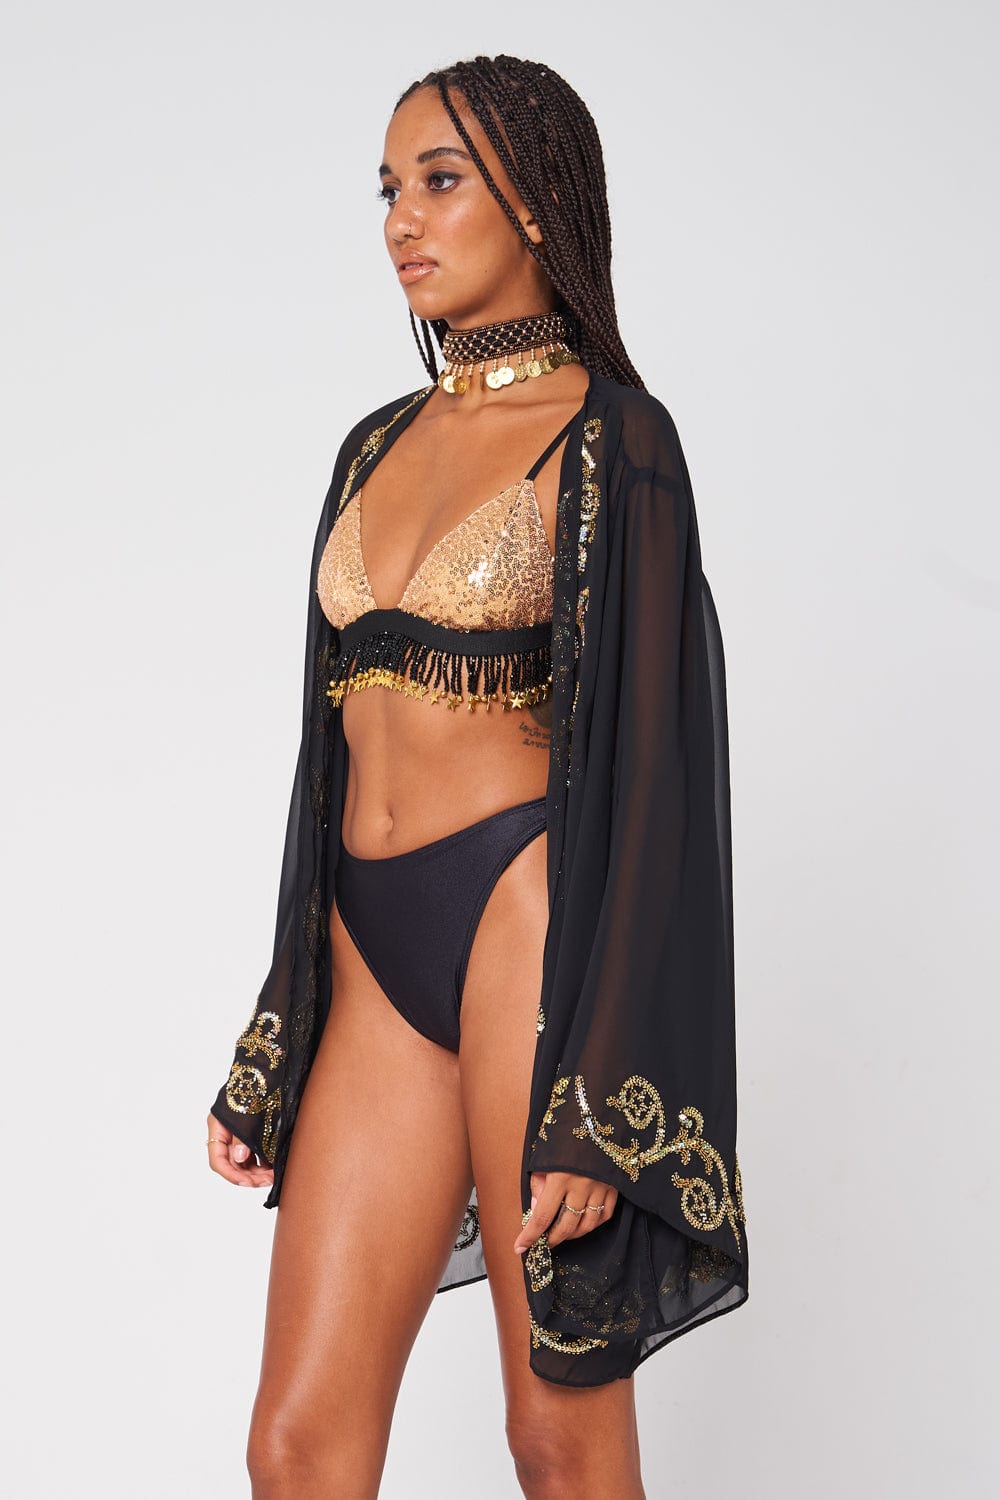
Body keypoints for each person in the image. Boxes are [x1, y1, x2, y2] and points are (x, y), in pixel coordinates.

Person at [206, 54, 749, 1500]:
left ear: (538, 198)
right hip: (367, 949)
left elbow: (657, 782)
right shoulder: (372, 446)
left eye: (440, 181)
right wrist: (279, 1025)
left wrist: (598, 1098)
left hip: (528, 931)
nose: (403, 218)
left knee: (556, 1438)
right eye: (389, 187)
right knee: (297, 1446)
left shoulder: (616, 440)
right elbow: (320, 761)